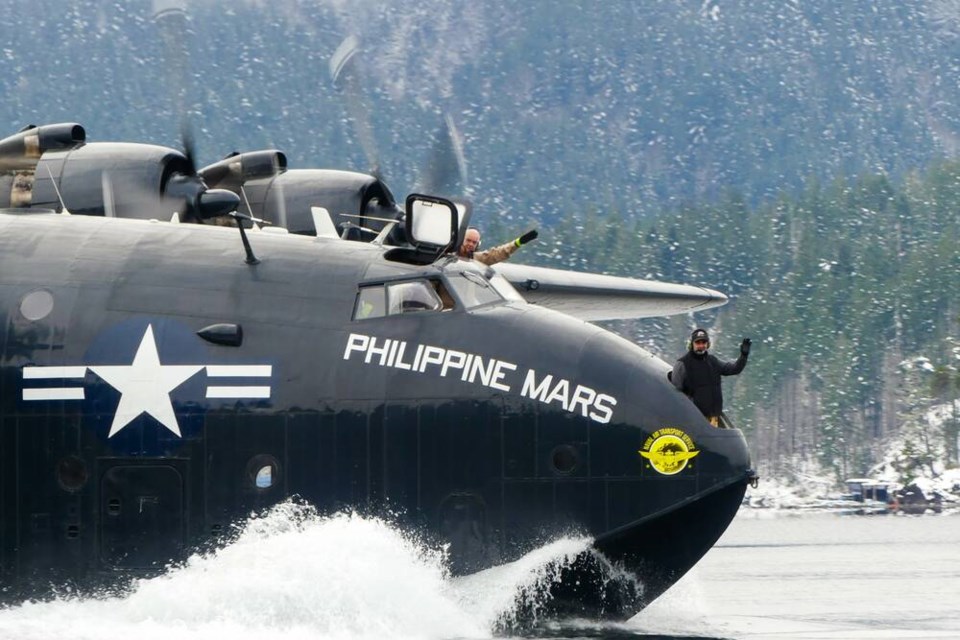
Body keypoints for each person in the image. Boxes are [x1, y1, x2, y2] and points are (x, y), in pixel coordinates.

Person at [671, 328, 751, 427]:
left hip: (714, 420)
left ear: (708, 344)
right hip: (694, 420)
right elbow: (674, 393)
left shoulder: (713, 361)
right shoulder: (682, 364)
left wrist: (743, 356)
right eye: (698, 342)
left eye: (703, 342)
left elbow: (734, 369)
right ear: (691, 344)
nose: (701, 345)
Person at [458, 227, 538, 265]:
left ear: (478, 244)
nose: (471, 244)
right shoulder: (448, 254)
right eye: (468, 240)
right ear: (461, 239)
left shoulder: (477, 259)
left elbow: (498, 253)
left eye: (474, 242)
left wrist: (518, 242)